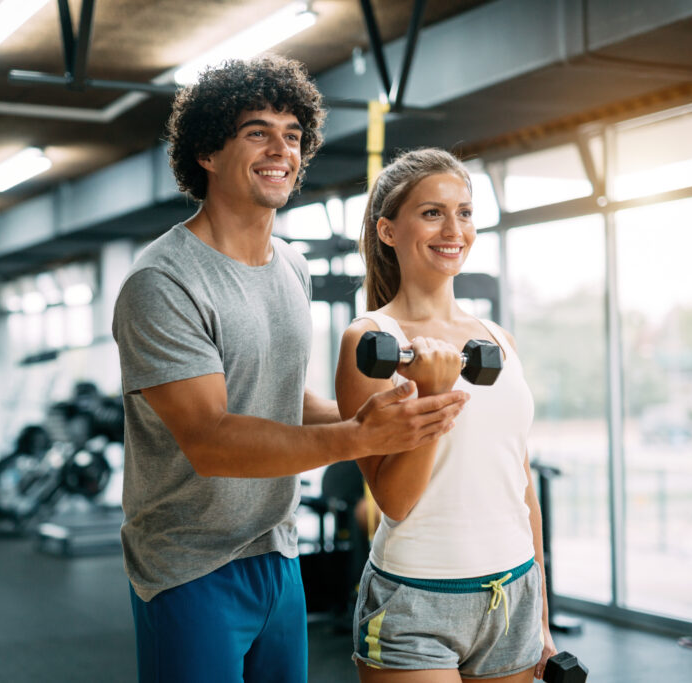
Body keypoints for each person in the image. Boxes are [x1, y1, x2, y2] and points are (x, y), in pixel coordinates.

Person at [112, 57, 468, 683]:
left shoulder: (291, 268)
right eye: (257, 131)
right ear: (207, 152)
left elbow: (277, 396)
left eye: (294, 135)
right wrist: (360, 438)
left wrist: (384, 420)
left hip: (277, 552)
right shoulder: (162, 282)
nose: (282, 149)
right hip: (188, 565)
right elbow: (212, 441)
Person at [335, 148, 557, 682]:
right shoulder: (369, 341)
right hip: (417, 597)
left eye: (464, 211)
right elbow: (395, 500)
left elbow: (519, 484)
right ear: (388, 231)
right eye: (432, 212)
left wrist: (543, 616)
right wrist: (432, 391)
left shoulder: (496, 338)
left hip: (512, 591)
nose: (452, 228)